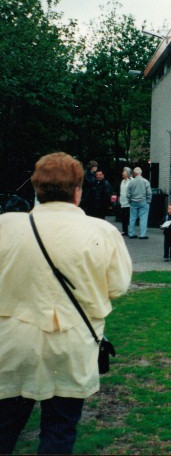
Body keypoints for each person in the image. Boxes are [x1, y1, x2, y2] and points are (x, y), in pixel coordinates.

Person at [0, 152, 132, 454]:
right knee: (59, 430)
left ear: (37, 188)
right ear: (77, 190)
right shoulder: (101, 232)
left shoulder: (5, 226)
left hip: (12, 344)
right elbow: (117, 287)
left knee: (4, 428)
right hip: (71, 344)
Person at [127, 167, 152, 239]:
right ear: (141, 173)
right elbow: (149, 193)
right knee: (143, 219)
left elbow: (128, 193)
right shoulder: (145, 181)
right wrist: (148, 201)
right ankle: (142, 235)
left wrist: (129, 200)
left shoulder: (131, 182)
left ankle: (131, 233)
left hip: (133, 202)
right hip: (143, 201)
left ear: (134, 174)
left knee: (132, 218)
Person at [119, 167, 132, 235]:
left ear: (127, 173)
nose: (122, 173)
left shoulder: (131, 181)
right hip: (122, 202)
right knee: (123, 217)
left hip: (129, 202)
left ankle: (130, 231)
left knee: (128, 217)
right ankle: (124, 230)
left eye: (123, 172)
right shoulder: (122, 181)